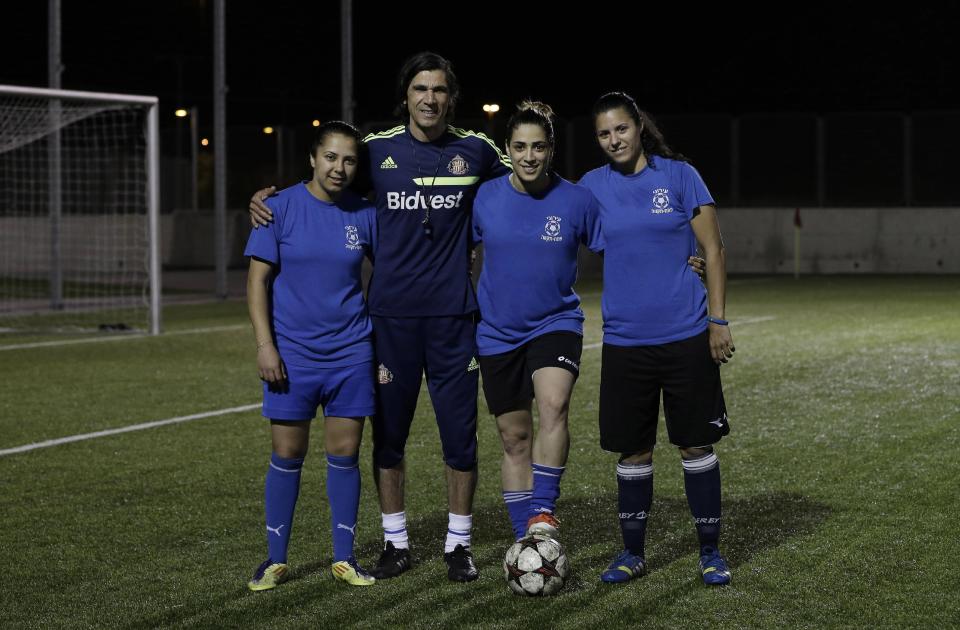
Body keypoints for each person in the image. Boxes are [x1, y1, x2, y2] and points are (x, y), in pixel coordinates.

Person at [249, 52, 510, 582]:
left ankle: (458, 544)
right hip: (389, 320)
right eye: (420, 89)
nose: (429, 99)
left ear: (451, 98)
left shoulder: (478, 151)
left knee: (459, 437)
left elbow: (528, 182)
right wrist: (266, 196)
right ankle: (395, 542)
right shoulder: (375, 151)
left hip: (454, 318)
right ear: (406, 96)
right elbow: (328, 180)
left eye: (439, 90)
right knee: (388, 437)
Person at [577, 92, 735, 586]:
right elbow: (556, 229)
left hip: (687, 333)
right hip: (625, 341)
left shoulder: (679, 176)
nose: (613, 140)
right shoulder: (590, 189)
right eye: (603, 134)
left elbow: (713, 248)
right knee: (633, 451)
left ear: (639, 127)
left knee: (695, 445)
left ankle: (710, 551)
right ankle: (631, 553)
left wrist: (718, 320)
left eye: (621, 129)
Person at [245, 121, 377, 590]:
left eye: (348, 160)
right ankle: (275, 560)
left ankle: (345, 558)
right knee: (287, 453)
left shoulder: (364, 213)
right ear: (313, 158)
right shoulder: (277, 209)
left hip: (351, 355)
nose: (339, 168)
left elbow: (388, 274)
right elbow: (257, 282)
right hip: (292, 356)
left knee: (345, 454)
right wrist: (266, 346)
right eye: (331, 157)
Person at [471, 101, 603, 541]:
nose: (529, 156)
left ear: (552, 150)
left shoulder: (577, 199)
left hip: (555, 323)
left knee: (553, 405)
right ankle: (522, 540)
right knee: (514, 440)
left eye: (539, 147)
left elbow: (620, 245)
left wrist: (684, 259)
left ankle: (543, 512)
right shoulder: (485, 197)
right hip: (496, 332)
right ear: (508, 149)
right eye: (520, 147)